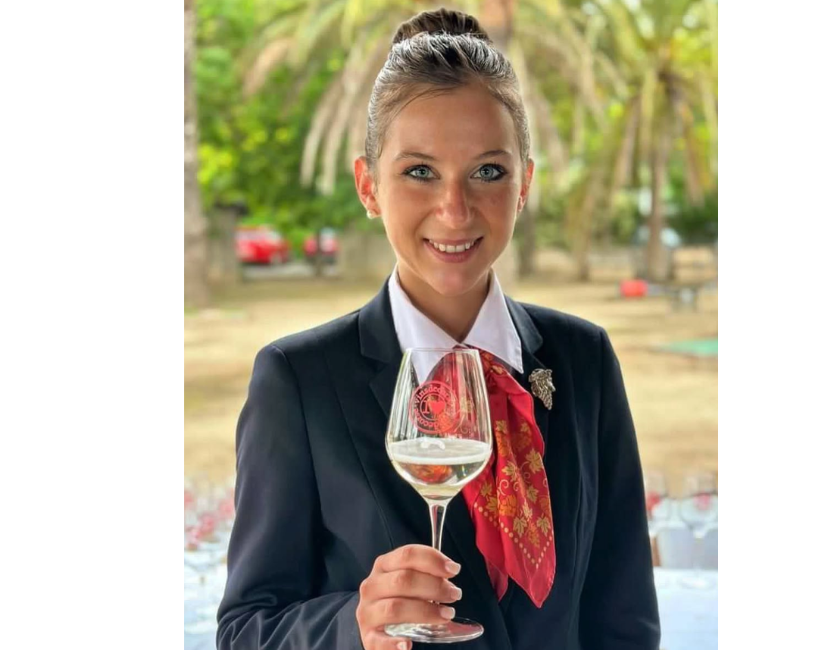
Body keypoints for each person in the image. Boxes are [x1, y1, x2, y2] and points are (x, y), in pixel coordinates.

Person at [217, 9, 660, 650]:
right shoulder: (299, 380)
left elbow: (624, 619)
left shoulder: (584, 358)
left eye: (488, 171)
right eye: (420, 172)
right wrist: (351, 624)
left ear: (525, 183)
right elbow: (244, 631)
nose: (454, 210)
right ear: (369, 187)